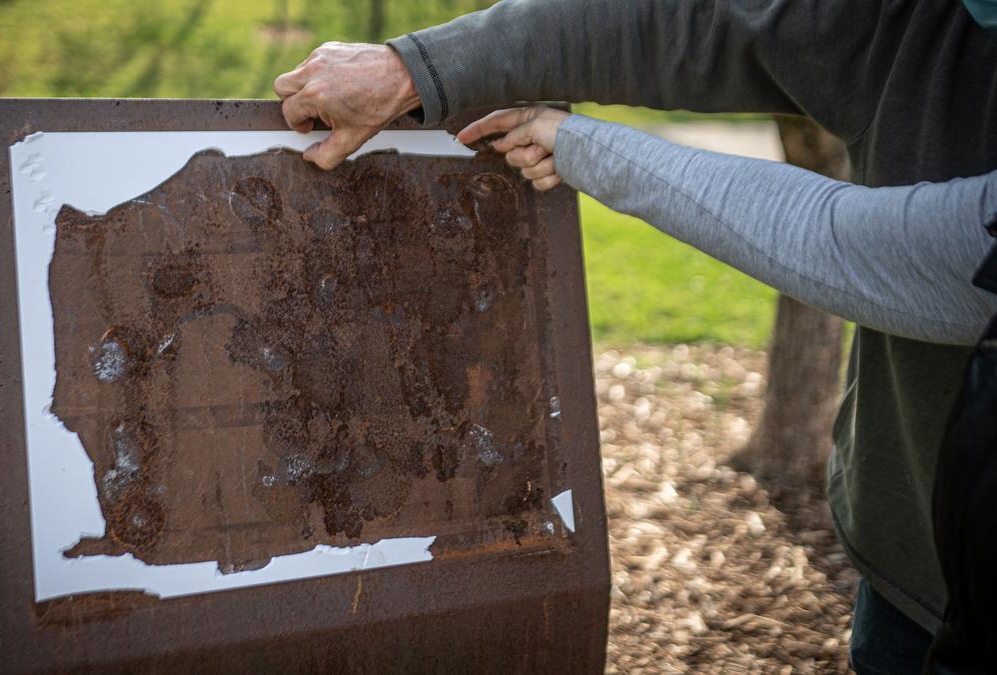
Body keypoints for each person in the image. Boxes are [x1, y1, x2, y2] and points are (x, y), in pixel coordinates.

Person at [272, 1, 997, 671]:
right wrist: (415, 67)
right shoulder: (925, 16)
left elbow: (870, 252)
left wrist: (584, 147)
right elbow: (682, 19)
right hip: (908, 575)